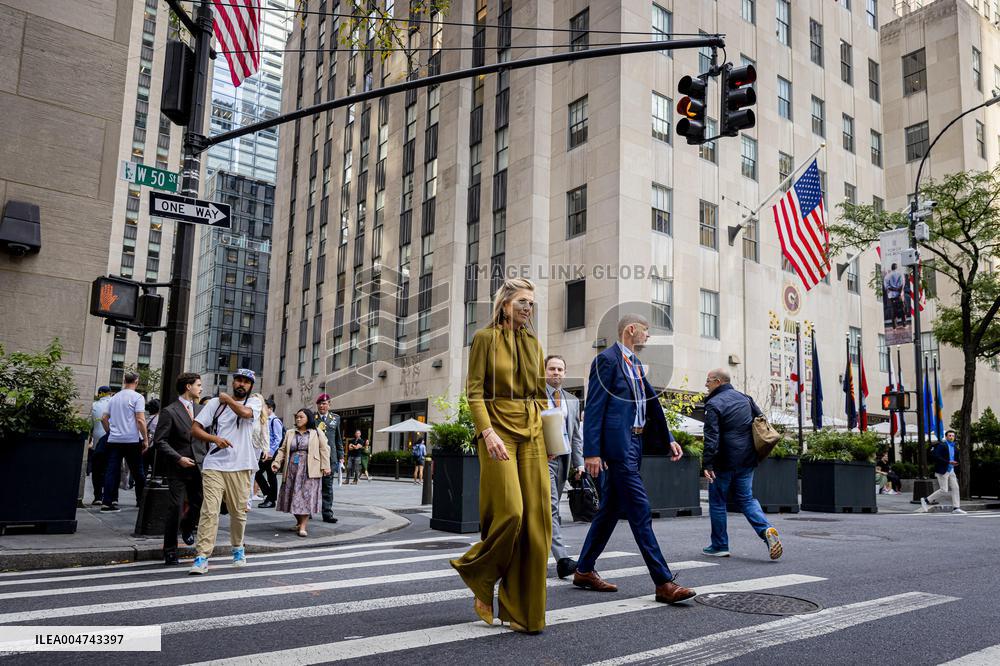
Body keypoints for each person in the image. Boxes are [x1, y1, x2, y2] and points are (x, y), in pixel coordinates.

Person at [450, 277, 551, 635]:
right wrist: (487, 431)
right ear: (505, 304)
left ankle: (525, 613)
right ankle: (478, 572)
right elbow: (474, 392)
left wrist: (549, 433)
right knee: (511, 513)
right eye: (522, 301)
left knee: (537, 523)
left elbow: (541, 394)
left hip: (533, 431)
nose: (528, 308)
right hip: (497, 432)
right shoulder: (484, 339)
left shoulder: (534, 343)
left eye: (531, 303)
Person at [573, 314, 696, 605]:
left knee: (609, 511)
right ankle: (663, 582)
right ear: (631, 330)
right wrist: (592, 452)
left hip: (636, 443)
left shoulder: (636, 365)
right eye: (645, 330)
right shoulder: (606, 361)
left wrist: (668, 438)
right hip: (619, 447)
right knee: (640, 509)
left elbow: (649, 404)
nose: (648, 336)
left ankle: (584, 570)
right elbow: (594, 407)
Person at [701, 369, 783, 560]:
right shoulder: (745, 398)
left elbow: (711, 436)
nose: (706, 384)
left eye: (708, 381)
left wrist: (708, 464)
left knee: (718, 502)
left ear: (718, 381)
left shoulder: (714, 403)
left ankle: (720, 545)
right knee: (746, 499)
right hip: (747, 458)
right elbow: (760, 420)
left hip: (724, 460)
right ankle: (766, 529)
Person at [188, 368, 262, 575]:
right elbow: (195, 429)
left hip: (241, 465)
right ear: (233, 382)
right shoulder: (214, 404)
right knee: (209, 511)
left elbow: (245, 414)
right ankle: (202, 556)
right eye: (238, 380)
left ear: (251, 386)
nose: (241, 384)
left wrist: (227, 399)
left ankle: (238, 548)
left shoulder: (254, 403)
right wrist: (215, 439)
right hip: (215, 465)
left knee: (238, 513)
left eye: (246, 381)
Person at [154, 372, 205, 566]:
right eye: (198, 385)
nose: (201, 388)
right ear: (188, 387)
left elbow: (206, 436)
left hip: (199, 466)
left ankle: (187, 525)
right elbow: (160, 441)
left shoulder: (201, 410)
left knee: (199, 503)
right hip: (178, 467)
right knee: (175, 508)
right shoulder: (170, 411)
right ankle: (170, 550)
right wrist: (178, 458)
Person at [543, 354, 584, 580]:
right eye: (552, 369)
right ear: (544, 371)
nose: (556, 373)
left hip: (563, 461)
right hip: (542, 460)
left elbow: (576, 435)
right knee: (551, 508)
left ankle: (527, 554)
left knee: (549, 508)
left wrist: (579, 464)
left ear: (565, 373)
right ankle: (562, 559)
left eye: (560, 369)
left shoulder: (572, 400)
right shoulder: (535, 396)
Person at [272, 409, 331, 537]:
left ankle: (303, 526)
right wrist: (276, 462)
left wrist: (326, 466)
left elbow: (324, 449)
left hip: (310, 469)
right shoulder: (290, 433)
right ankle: (299, 522)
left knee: (305, 498)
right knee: (291, 496)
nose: (298, 419)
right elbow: (282, 450)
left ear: (308, 418)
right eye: (297, 417)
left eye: (301, 417)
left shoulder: (316, 432)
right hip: (292, 469)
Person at [100, 372, 148, 512]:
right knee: (138, 471)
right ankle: (141, 501)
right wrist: (145, 439)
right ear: (137, 381)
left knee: (111, 470)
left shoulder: (114, 397)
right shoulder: (138, 397)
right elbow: (140, 420)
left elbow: (104, 418)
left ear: (124, 380)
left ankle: (107, 502)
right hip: (132, 440)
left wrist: (110, 432)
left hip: (114, 439)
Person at [919, 430, 966, 514]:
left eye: (953, 436)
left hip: (951, 470)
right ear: (946, 437)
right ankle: (926, 500)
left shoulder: (955, 447)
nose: (951, 437)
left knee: (955, 488)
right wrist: (948, 462)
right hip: (942, 470)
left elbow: (955, 458)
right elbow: (935, 456)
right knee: (944, 490)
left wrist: (956, 463)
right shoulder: (942, 445)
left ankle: (956, 508)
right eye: (949, 436)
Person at [315, 394, 345, 523]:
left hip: (330, 458)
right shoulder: (312, 418)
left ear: (329, 405)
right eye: (320, 403)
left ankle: (327, 513)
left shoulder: (335, 418)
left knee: (327, 486)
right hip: (315, 457)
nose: (322, 406)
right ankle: (308, 510)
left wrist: (341, 455)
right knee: (312, 485)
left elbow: (338, 438)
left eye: (324, 403)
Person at [87, 387, 113, 505]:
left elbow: (89, 425)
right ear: (110, 393)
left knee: (97, 471)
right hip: (112, 441)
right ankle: (110, 497)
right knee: (110, 470)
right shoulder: (114, 404)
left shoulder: (94, 405)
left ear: (99, 394)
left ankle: (97, 496)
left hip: (97, 443)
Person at [257, 398, 284, 508]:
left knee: (271, 476)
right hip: (265, 452)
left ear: (270, 409)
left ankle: (271, 500)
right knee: (258, 473)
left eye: (264, 408)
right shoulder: (265, 420)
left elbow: (278, 438)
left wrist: (271, 452)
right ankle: (269, 494)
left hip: (272, 453)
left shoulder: (275, 421)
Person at [883, 263, 906, 328]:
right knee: (902, 309)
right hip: (899, 295)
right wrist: (899, 291)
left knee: (894, 310)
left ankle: (894, 326)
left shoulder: (887, 276)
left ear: (891, 268)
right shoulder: (900, 274)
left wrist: (893, 289)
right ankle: (904, 324)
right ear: (896, 267)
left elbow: (887, 287)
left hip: (891, 296)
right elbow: (902, 285)